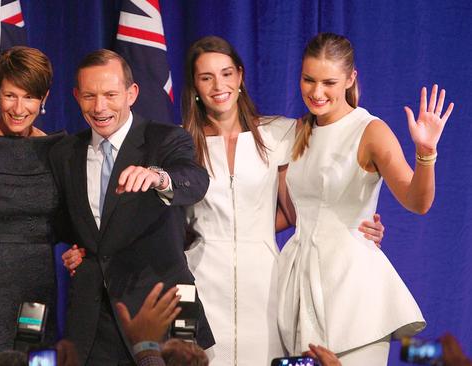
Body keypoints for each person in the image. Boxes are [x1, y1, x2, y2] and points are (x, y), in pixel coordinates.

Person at [180, 35, 385, 366]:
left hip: (267, 284)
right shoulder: (181, 144)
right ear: (195, 85)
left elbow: (317, 192)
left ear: (241, 76)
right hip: (200, 282)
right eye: (207, 77)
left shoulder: (280, 132)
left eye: (227, 73)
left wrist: (357, 222)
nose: (219, 85)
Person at [277, 32, 454, 364]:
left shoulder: (370, 130)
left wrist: (425, 153)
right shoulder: (297, 131)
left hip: (353, 293)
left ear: (350, 78)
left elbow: (418, 201)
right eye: (308, 79)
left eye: (329, 82)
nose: (316, 92)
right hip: (298, 287)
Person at [49, 49, 214, 365]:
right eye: (89, 96)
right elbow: (71, 223)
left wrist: (157, 177)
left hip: (162, 311)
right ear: (76, 96)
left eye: (110, 94)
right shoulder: (65, 152)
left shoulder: (164, 139)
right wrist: (77, 247)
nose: (100, 107)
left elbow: (194, 180)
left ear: (131, 93)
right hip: (93, 322)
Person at [0, 45, 63, 364]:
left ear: (44, 98)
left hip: (36, 287)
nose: (19, 108)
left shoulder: (57, 150)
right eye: (10, 96)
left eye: (29, 97)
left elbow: (74, 218)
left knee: (33, 359)